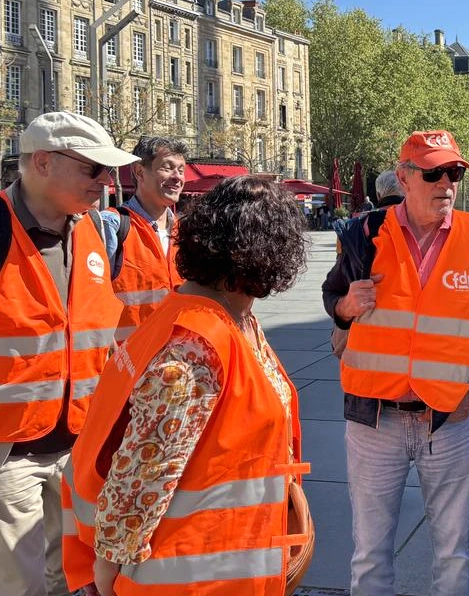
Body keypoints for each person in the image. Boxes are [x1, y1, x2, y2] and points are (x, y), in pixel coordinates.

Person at [63, 177, 311, 595]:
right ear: (262, 260)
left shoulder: (214, 318)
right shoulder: (196, 346)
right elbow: (144, 470)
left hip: (219, 562)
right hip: (188, 575)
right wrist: (106, 572)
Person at [322, 129, 469, 596]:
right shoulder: (365, 233)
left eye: (455, 172)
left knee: (454, 553)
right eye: (435, 173)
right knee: (370, 554)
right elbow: (333, 296)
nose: (447, 183)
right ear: (404, 178)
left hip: (446, 421)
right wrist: (345, 307)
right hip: (374, 421)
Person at [0, 111, 135, 596]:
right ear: (41, 163)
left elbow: (109, 339)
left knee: (78, 581)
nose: (106, 181)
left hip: (82, 450)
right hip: (4, 456)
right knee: (19, 586)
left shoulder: (96, 230)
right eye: (92, 169)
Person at [98, 135, 188, 342]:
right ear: (139, 172)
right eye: (167, 167)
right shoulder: (112, 226)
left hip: (174, 363)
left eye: (181, 170)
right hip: (127, 365)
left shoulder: (185, 234)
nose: (177, 177)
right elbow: (91, 302)